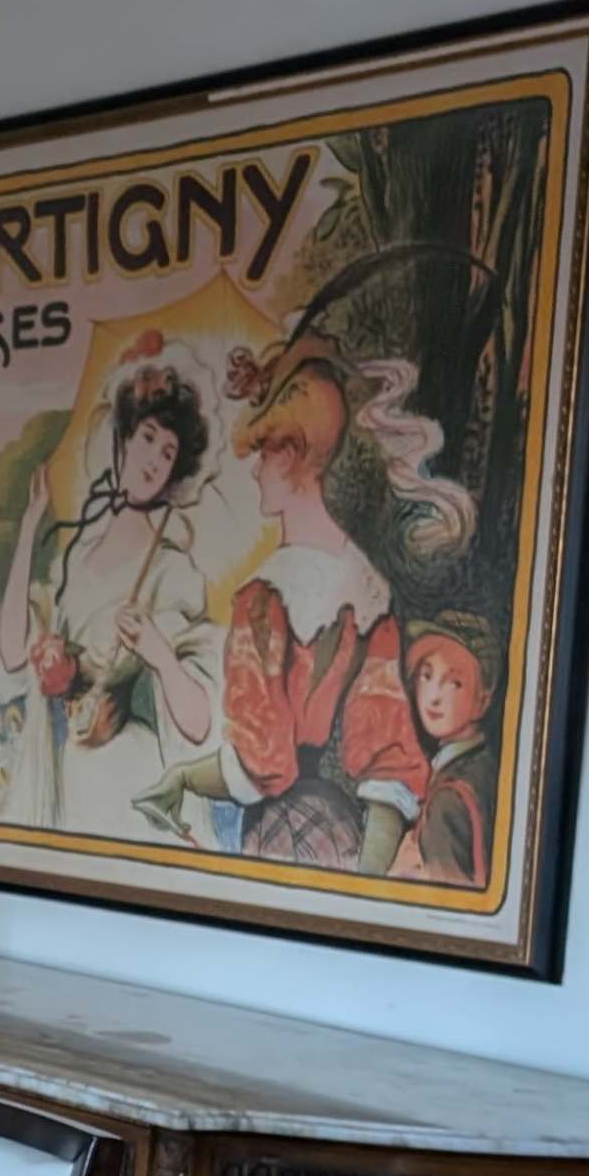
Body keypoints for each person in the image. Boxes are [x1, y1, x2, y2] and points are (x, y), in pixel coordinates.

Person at [208, 329, 463, 875]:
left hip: (268, 839)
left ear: (294, 456)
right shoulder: (369, 586)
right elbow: (390, 752)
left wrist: (182, 779)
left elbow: (261, 763)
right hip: (338, 837)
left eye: (265, 453)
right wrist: (364, 881)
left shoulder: (262, 598)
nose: (255, 470)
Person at [0, 338, 227, 848]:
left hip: (130, 773)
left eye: (168, 452)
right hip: (73, 772)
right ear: (123, 438)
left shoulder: (173, 571)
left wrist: (158, 652)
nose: (153, 460)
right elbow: (12, 653)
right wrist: (30, 528)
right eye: (147, 437)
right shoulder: (79, 553)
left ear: (176, 472)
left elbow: (200, 721)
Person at [390, 611, 502, 887]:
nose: (434, 695)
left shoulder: (449, 799)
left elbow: (448, 904)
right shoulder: (486, 766)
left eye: (454, 683)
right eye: (426, 676)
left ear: (482, 701)